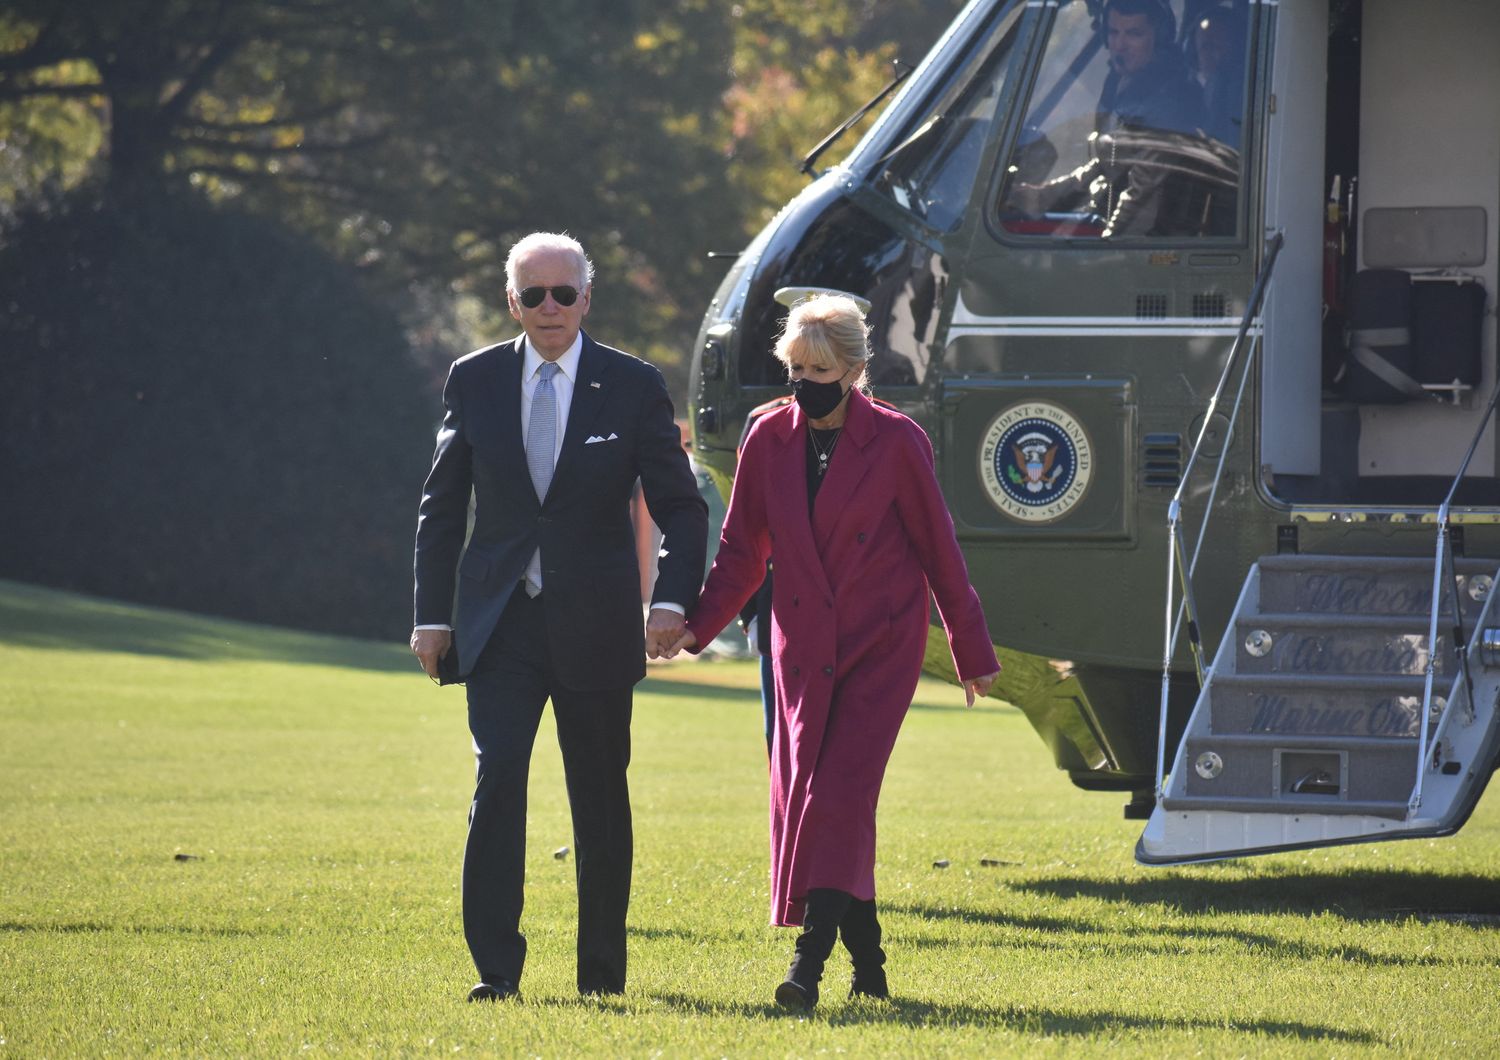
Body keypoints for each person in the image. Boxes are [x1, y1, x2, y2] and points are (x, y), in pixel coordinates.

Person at [662, 295, 1000, 1009]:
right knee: (822, 803)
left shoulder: (901, 442)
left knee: (836, 792)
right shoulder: (767, 437)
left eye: (817, 368)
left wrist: (972, 652)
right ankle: (870, 965)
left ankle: (805, 965)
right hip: (800, 645)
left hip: (881, 646)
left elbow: (941, 553)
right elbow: (741, 553)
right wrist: (697, 628)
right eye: (793, 367)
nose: (802, 382)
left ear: (853, 369)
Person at [410, 232, 708, 1002]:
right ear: (512, 300)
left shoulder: (633, 384)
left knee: (601, 797)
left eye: (564, 293)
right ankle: (495, 971)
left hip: (600, 624)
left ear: (586, 298)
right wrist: (430, 616)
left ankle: (601, 978)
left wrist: (671, 600)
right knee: (498, 777)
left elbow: (681, 506)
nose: (550, 308)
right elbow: (443, 507)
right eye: (533, 294)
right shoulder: (472, 379)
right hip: (499, 623)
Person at [1007, 0, 1207, 236]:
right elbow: (1108, 161)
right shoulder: (1124, 84)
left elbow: (1143, 194)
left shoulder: (1171, 102)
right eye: (1113, 32)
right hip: (1111, 216)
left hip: (1151, 244)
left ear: (1160, 39)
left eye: (1134, 34)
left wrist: (1104, 246)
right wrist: (1042, 196)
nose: (1120, 45)